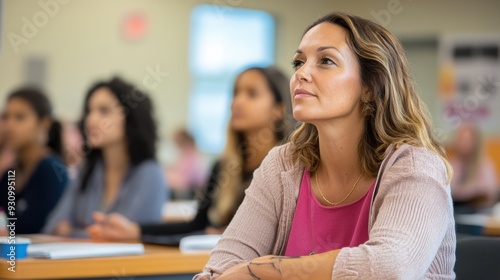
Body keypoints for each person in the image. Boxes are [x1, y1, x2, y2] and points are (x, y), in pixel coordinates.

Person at [195, 12, 456, 280]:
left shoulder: (415, 167)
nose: (301, 74)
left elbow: (390, 269)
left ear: (370, 85)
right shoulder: (284, 165)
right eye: (299, 62)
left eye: (326, 61)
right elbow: (219, 270)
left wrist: (264, 269)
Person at [86, 66, 293, 241]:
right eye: (235, 93)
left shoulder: (287, 169)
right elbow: (196, 227)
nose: (237, 102)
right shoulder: (223, 167)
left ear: (278, 110)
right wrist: (136, 231)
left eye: (251, 94)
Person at [43, 77, 167, 237]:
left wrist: (71, 231)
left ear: (131, 118)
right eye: (89, 111)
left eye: (104, 111)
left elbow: (125, 239)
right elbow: (54, 226)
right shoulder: (87, 169)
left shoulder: (149, 173)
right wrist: (81, 232)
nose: (91, 120)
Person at [0, 88, 68, 234]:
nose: (10, 125)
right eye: (6, 117)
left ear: (44, 123)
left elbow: (34, 225)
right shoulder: (9, 173)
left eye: (20, 117)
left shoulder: (53, 170)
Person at [450, 122, 498, 210]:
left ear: (476, 141)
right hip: (457, 210)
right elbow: (449, 189)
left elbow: (488, 192)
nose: (462, 143)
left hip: (478, 211)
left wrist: (462, 193)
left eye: (467, 139)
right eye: (460, 138)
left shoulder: (484, 164)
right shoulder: (454, 163)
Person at [166, 129, 208, 200]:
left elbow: (184, 182)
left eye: (178, 141)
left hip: (192, 192)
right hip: (185, 190)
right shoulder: (183, 155)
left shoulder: (194, 156)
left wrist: (169, 177)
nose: (177, 145)